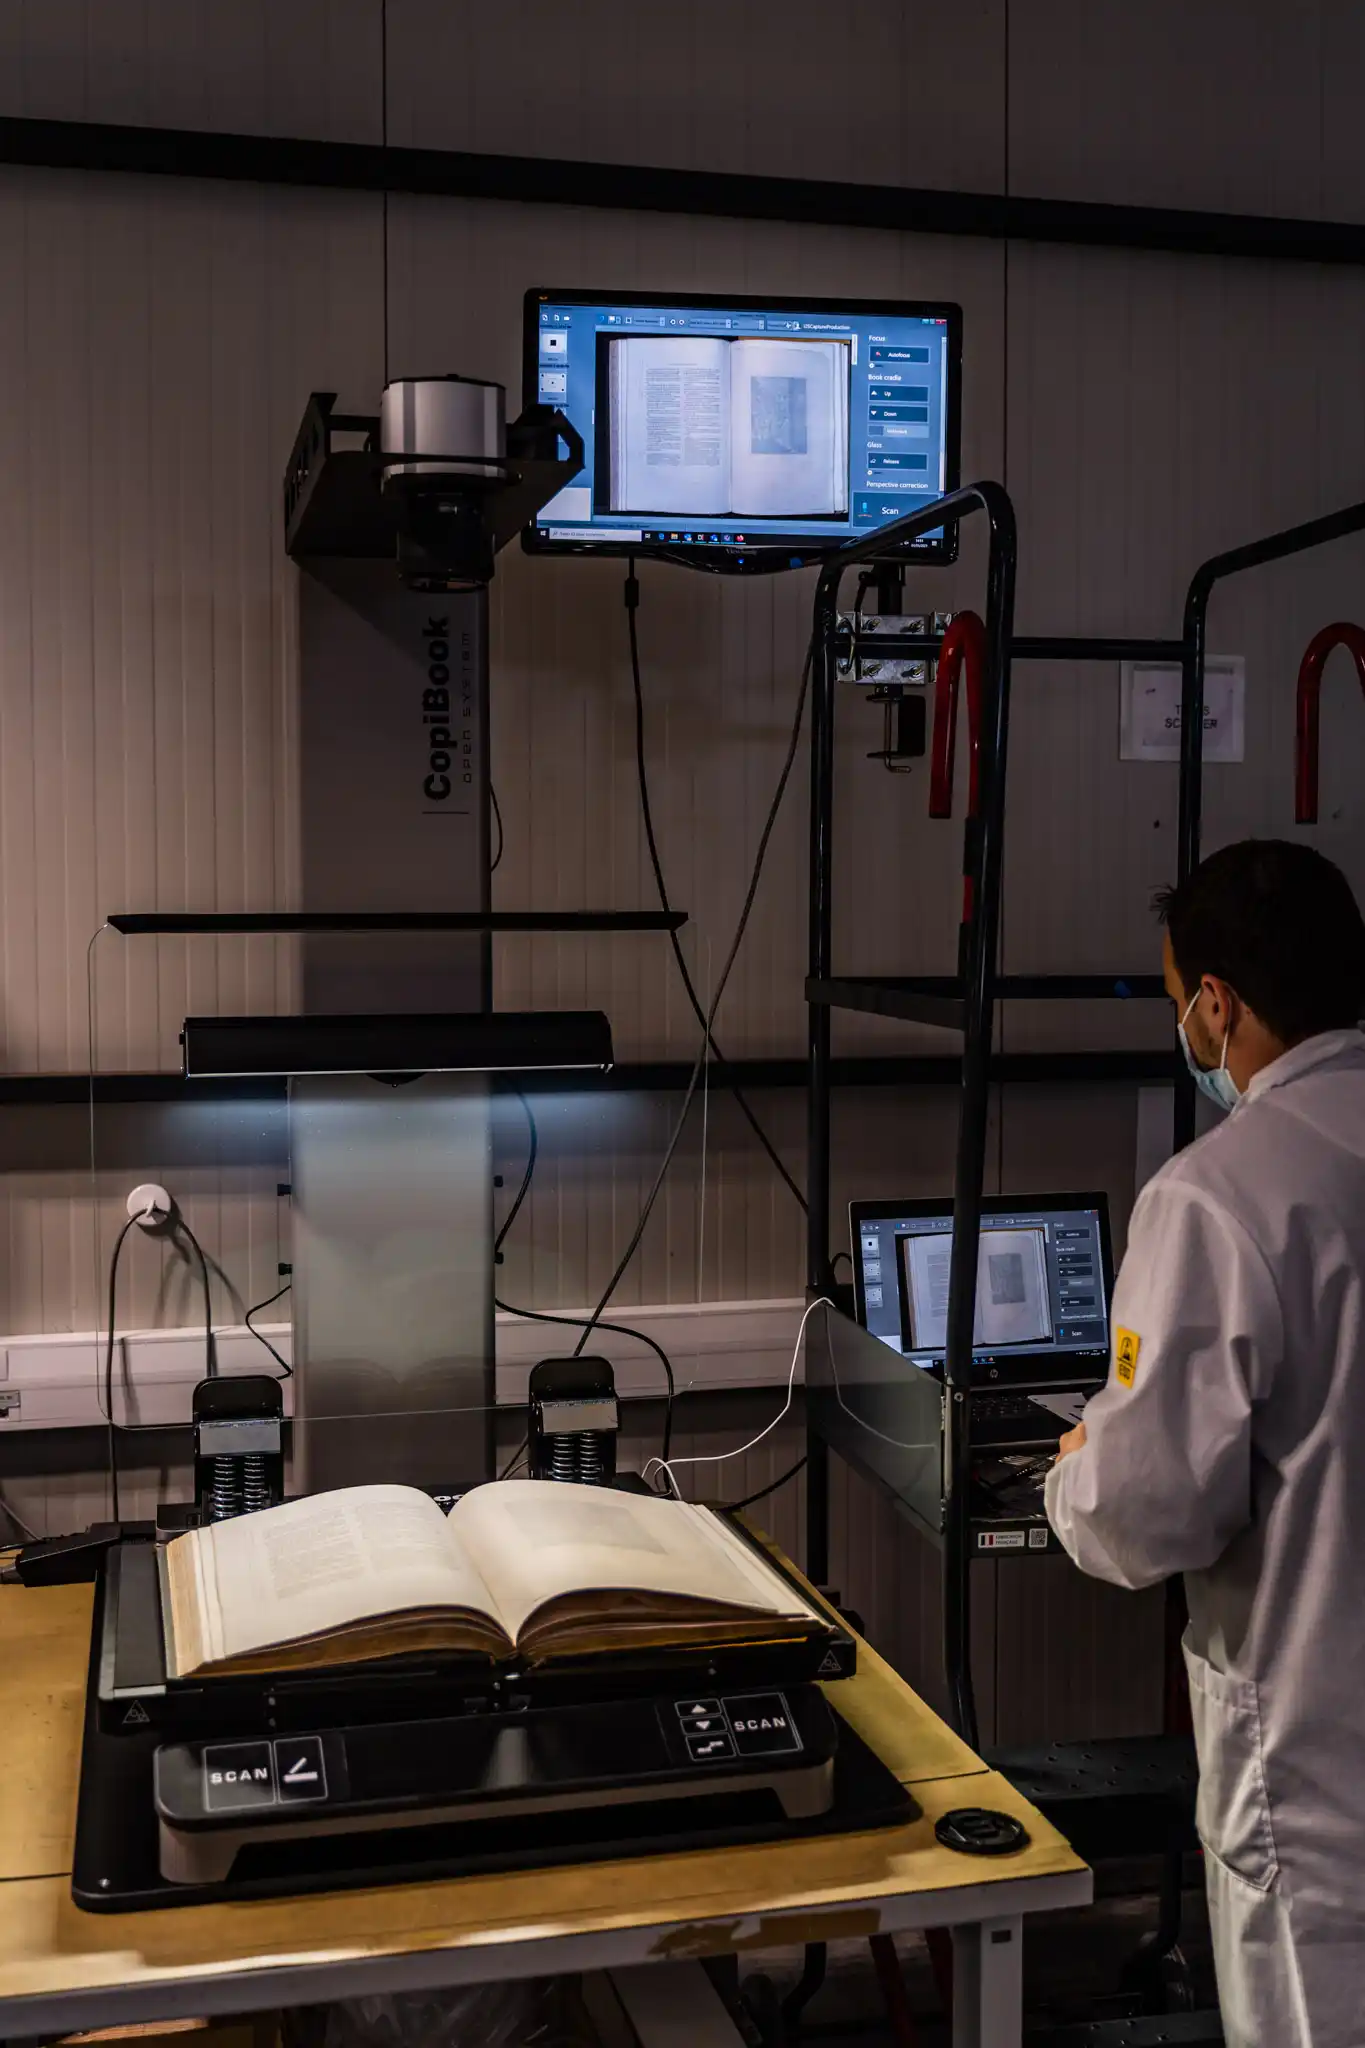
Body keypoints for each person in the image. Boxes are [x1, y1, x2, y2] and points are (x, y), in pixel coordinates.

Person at [1046, 838, 1365, 2048]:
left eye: (1181, 999)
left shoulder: (1218, 1195)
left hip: (1321, 1788)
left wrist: (1077, 1467)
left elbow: (1146, 1510)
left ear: (1217, 1006)